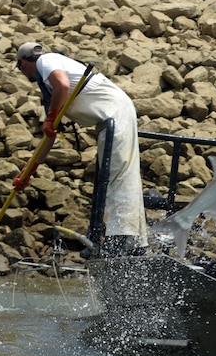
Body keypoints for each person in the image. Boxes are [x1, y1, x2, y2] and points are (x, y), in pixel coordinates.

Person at [13, 41, 147, 252]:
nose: (22, 74)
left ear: (23, 62)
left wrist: (51, 117)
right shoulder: (49, 91)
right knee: (113, 174)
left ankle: (123, 242)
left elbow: (63, 84)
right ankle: (126, 240)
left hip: (116, 114)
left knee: (117, 173)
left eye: (20, 68)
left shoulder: (46, 61)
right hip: (107, 122)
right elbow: (49, 138)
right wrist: (28, 172)